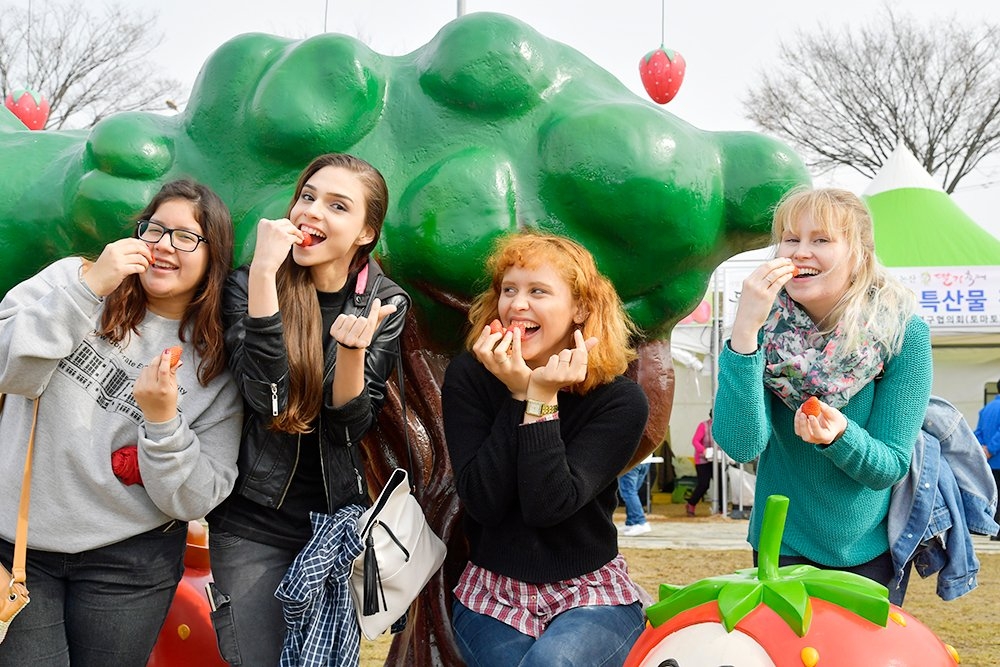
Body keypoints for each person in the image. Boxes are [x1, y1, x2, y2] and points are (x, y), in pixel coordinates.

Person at [0, 179, 242, 665]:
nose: (164, 246)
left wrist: (162, 423)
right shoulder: (71, 279)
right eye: (155, 229)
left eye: (186, 237)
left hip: (131, 562)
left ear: (212, 256)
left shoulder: (214, 361)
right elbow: (12, 369)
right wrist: (88, 289)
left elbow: (197, 498)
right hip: (21, 546)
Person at [206, 153, 410, 666]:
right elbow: (267, 401)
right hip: (252, 522)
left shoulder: (384, 302)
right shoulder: (250, 282)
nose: (311, 211)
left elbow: (349, 428)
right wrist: (263, 279)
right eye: (307, 196)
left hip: (334, 528)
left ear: (365, 232)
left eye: (337, 206)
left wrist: (351, 354)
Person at [442, 230, 650, 666]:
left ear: (581, 308)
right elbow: (482, 501)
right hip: (492, 593)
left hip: (591, 592)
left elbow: (549, 505)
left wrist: (540, 403)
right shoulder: (469, 378)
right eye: (509, 290)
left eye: (538, 291)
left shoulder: (619, 399)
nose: (517, 304)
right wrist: (519, 395)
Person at [713, 187, 933, 588]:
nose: (799, 252)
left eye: (821, 240)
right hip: (779, 543)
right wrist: (745, 331)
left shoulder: (901, 332)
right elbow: (742, 445)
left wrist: (841, 436)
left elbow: (890, 466)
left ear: (859, 253)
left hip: (869, 550)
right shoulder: (761, 326)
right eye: (791, 239)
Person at [975, 384, 1000, 540]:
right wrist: (991, 449)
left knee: (993, 496)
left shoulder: (987, 408)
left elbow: (978, 432)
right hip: (996, 456)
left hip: (989, 462)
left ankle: (992, 530)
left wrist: (983, 450)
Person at [688, 411, 714, 517]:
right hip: (703, 460)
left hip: (717, 460)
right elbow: (695, 441)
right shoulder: (704, 426)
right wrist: (703, 450)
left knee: (721, 484)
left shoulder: (723, 427)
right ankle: (691, 504)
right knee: (704, 484)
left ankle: (721, 509)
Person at [617, 462, 651, 535]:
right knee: (632, 492)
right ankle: (631, 522)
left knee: (628, 492)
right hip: (645, 461)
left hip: (631, 461)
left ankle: (640, 522)